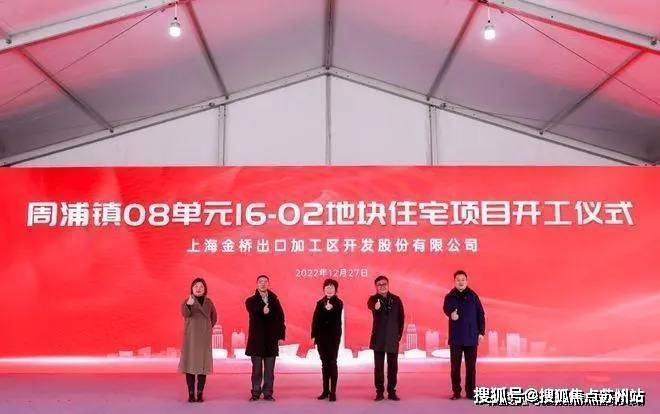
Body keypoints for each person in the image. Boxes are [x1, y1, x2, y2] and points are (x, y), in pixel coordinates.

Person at [443, 270, 485, 400]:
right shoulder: (450, 296)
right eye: (458, 280)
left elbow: (480, 314)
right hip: (456, 337)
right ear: (454, 282)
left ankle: (471, 392)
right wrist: (451, 314)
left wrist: (481, 332)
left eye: (463, 280)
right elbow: (446, 308)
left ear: (466, 281)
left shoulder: (473, 296)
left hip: (471, 336)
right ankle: (456, 392)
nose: (460, 282)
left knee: (471, 367)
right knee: (455, 367)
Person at [245, 274, 286, 401]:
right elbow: (253, 311)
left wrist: (280, 336)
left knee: (269, 370)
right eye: (260, 281)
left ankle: (268, 393)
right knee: (256, 370)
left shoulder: (274, 300)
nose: (263, 283)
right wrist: (262, 310)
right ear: (257, 284)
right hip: (256, 341)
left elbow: (281, 318)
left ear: (268, 284)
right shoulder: (250, 301)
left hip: (271, 340)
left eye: (265, 281)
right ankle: (255, 393)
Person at [178, 277, 217, 403]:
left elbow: (214, 317)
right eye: (196, 286)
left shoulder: (209, 302)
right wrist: (188, 305)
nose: (198, 288)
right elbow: (185, 314)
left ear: (205, 289)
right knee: (190, 366)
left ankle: (200, 393)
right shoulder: (187, 301)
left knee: (202, 366)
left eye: (201, 286)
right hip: (191, 338)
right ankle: (191, 393)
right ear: (192, 289)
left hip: (204, 338)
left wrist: (207, 328)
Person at [367, 275, 404, 401]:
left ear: (388, 285)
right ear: (376, 287)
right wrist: (375, 307)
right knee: (378, 367)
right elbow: (370, 305)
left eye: (384, 284)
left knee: (393, 367)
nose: (382, 286)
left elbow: (401, 318)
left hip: (393, 338)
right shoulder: (373, 299)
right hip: (378, 338)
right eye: (379, 285)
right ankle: (379, 392)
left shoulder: (396, 299)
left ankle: (392, 391)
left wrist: (398, 335)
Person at [311, 278, 343, 402]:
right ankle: (325, 391)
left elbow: (336, 317)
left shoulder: (339, 303)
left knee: (332, 363)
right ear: (324, 289)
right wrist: (314, 336)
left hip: (333, 338)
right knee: (324, 364)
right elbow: (315, 320)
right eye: (327, 287)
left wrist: (330, 310)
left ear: (336, 290)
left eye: (332, 287)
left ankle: (333, 392)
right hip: (321, 338)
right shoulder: (320, 303)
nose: (329, 290)